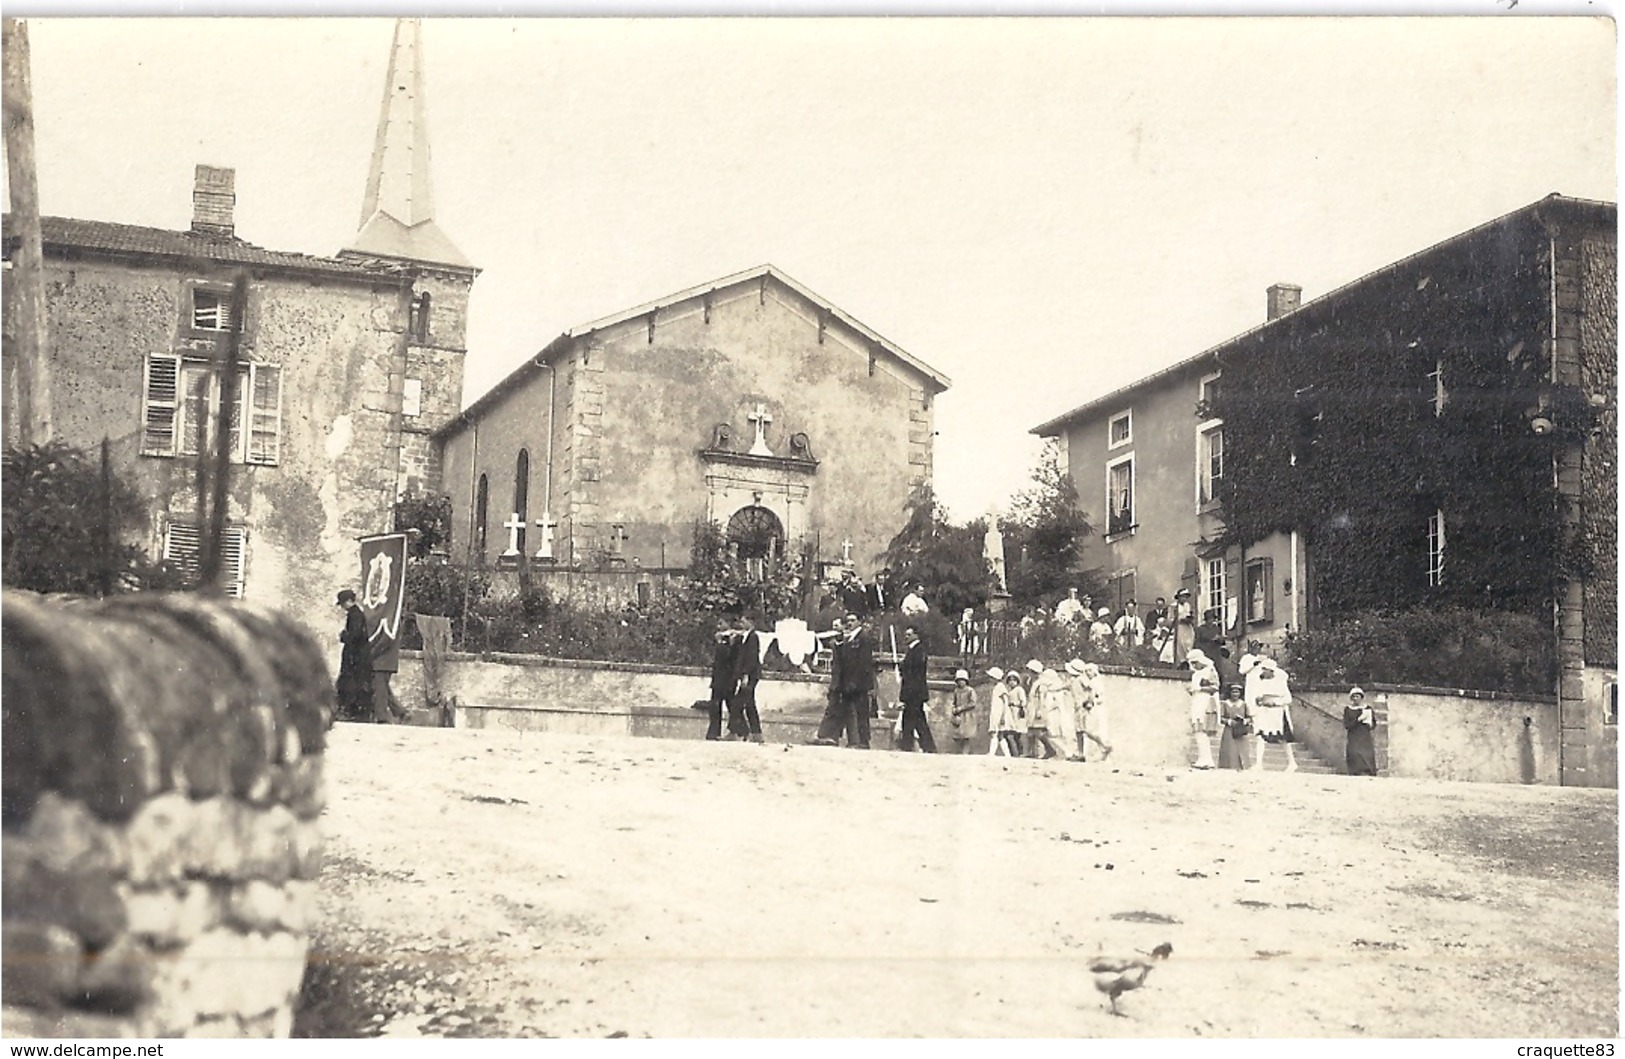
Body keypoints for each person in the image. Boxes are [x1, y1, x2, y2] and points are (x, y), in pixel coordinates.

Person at [1245, 657, 1298, 772]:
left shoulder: (1280, 683)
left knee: (1283, 738)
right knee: (1260, 737)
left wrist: (1275, 702)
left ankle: (1292, 762)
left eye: (1265, 669)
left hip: (1278, 713)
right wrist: (1258, 701)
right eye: (1262, 669)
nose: (1263, 671)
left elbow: (1288, 699)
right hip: (1264, 713)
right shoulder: (1261, 683)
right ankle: (1259, 763)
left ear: (1271, 671)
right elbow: (1257, 697)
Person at [895, 625, 936, 752]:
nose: (906, 637)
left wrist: (904, 667)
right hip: (913, 692)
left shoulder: (919, 651)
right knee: (918, 720)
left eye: (908, 634)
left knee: (909, 719)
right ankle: (928, 747)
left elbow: (915, 672)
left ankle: (907, 745)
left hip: (914, 692)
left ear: (916, 635)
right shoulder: (912, 651)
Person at [334, 589, 373, 721]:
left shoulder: (354, 615)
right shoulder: (356, 613)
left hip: (355, 656)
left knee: (350, 684)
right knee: (355, 684)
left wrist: (344, 636)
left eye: (343, 603)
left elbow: (355, 636)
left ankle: (351, 712)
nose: (343, 607)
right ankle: (354, 711)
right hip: (357, 656)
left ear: (348, 602)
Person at [732, 615, 765, 744]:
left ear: (750, 622)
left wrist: (745, 675)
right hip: (749, 675)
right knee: (747, 704)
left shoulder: (753, 637)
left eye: (743, 621)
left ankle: (739, 732)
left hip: (750, 676)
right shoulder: (747, 636)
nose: (741, 623)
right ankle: (754, 734)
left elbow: (751, 658)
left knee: (739, 703)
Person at [705, 618, 740, 740]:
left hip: (726, 678)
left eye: (721, 623)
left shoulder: (733, 638)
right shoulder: (724, 638)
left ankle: (739, 731)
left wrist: (721, 643)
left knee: (729, 705)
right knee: (716, 706)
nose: (718, 626)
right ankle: (714, 732)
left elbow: (727, 657)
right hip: (719, 678)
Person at [1024, 659, 1065, 760]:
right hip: (1032, 707)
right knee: (1030, 731)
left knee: (1038, 732)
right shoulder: (1034, 682)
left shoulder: (1041, 684)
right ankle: (1032, 752)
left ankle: (1050, 749)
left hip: (1038, 707)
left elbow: (1042, 697)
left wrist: (1039, 710)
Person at [1186, 648, 1219, 769]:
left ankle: (1207, 759)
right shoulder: (1196, 674)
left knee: (1202, 730)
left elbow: (1215, 687)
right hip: (1197, 700)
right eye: (1192, 663)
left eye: (1196, 662)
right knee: (1197, 730)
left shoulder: (1209, 670)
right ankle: (1203, 757)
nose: (1194, 665)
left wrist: (1200, 689)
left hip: (1206, 701)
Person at [1079, 661, 1114, 762]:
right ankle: (1104, 751)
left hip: (1096, 710)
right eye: (1086, 671)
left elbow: (1100, 697)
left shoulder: (1096, 682)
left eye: (1089, 670)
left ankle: (1105, 747)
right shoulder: (1092, 682)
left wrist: (1092, 702)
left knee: (1091, 730)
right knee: (1090, 731)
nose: (1088, 673)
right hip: (1093, 709)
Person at [1343, 686, 1378, 775]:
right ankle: (1355, 772)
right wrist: (1358, 719)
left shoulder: (1367, 709)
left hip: (1364, 735)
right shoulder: (1348, 709)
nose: (1355, 698)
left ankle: (1368, 772)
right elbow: (1347, 725)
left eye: (1357, 696)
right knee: (1354, 753)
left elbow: (1374, 723)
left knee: (1366, 754)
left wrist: (1369, 724)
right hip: (1353, 735)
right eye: (1353, 696)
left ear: (1361, 697)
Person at [1217, 683, 1251, 769]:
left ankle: (1243, 765)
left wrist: (1244, 721)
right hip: (1229, 729)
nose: (1235, 694)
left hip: (1240, 729)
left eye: (1237, 692)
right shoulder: (1225, 704)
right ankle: (1228, 765)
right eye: (1233, 692)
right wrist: (1229, 721)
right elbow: (1221, 718)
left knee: (1242, 748)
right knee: (1229, 748)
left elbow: (1249, 717)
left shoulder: (1243, 704)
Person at [947, 669, 977, 753]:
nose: (961, 682)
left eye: (963, 680)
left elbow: (973, 703)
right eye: (959, 680)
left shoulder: (970, 690)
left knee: (966, 735)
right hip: (959, 716)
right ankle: (963, 751)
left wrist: (962, 708)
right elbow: (954, 702)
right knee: (957, 735)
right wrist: (953, 708)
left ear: (966, 681)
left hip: (968, 716)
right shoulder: (956, 691)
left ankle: (965, 752)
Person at [1001, 668, 1029, 756]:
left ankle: (1020, 752)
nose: (1012, 682)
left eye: (1014, 680)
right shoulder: (1009, 691)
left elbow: (1023, 701)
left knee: (1017, 734)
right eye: (1010, 680)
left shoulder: (1019, 689)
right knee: (1008, 733)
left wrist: (1016, 704)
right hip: (1010, 712)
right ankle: (1012, 752)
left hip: (1017, 711)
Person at [984, 667, 1010, 756]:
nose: (990, 679)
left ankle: (992, 753)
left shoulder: (1001, 687)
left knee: (995, 733)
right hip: (996, 713)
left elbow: (1006, 701)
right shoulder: (996, 687)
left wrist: (1003, 715)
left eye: (991, 677)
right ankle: (1007, 754)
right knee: (999, 735)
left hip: (999, 713)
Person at [1172, 588, 1196, 666]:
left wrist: (1190, 619)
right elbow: (1171, 619)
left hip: (1187, 627)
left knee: (1188, 644)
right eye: (1182, 597)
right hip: (1180, 627)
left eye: (1185, 597)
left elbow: (1190, 615)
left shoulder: (1188, 606)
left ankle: (1188, 662)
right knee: (1180, 645)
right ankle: (1181, 663)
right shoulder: (1174, 606)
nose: (1184, 599)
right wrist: (1180, 619)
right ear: (1178, 597)